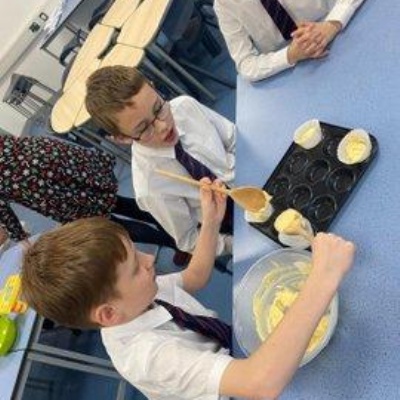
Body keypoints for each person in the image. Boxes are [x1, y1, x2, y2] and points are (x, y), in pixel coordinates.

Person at [21, 178, 356, 400]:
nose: (150, 259)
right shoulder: (149, 357)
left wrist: (210, 221)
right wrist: (322, 279)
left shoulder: (136, 298)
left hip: (236, 361)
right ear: (108, 314)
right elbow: (260, 382)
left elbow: (194, 277)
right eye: (135, 267)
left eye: (138, 252)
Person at [85, 65, 235, 258]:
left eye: (158, 108)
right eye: (144, 128)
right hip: (231, 224)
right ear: (122, 138)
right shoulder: (149, 187)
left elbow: (234, 140)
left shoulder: (184, 106)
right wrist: (235, 243)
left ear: (154, 88)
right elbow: (189, 240)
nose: (163, 126)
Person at [0, 134, 179, 252]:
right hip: (60, 164)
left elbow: (3, 210)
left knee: (117, 227)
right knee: (118, 203)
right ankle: (176, 228)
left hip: (47, 188)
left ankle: (177, 243)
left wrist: (21, 240)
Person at [214, 0, 366, 82]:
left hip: (345, 32)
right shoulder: (224, 5)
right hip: (301, 71)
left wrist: (331, 24)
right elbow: (246, 65)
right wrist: (290, 54)